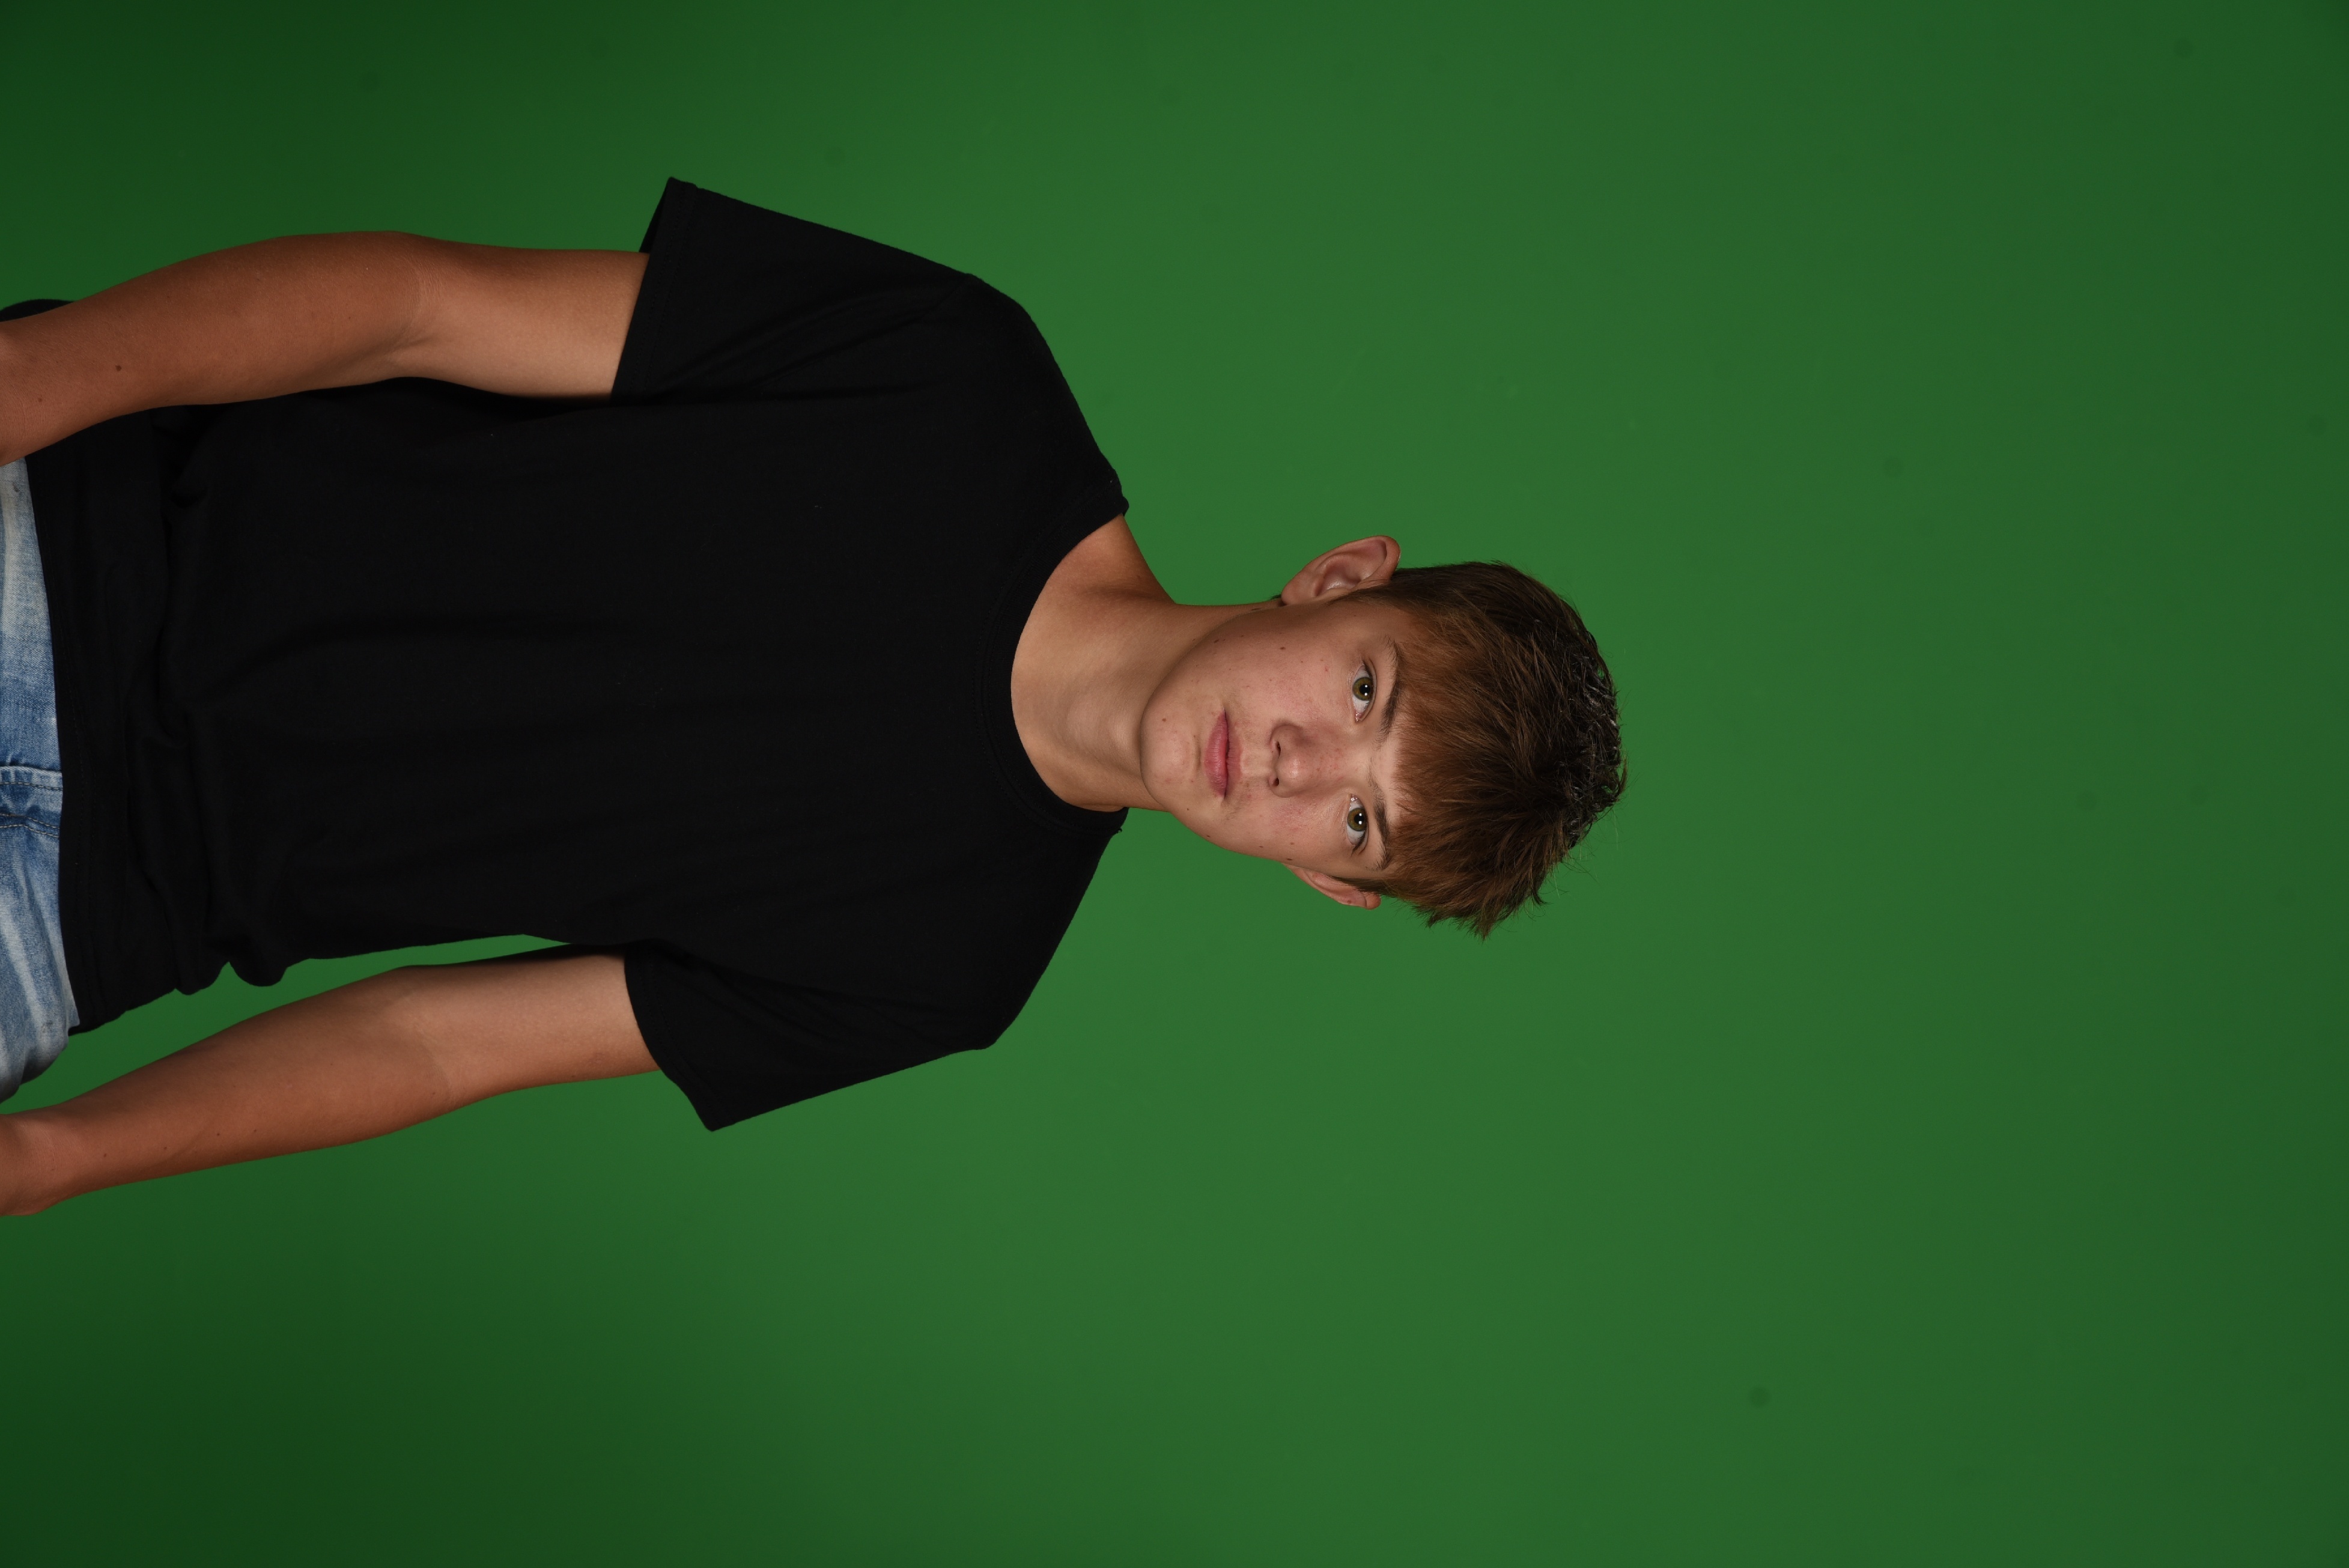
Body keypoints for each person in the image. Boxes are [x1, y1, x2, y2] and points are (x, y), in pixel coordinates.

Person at [0, 180, 1622, 1216]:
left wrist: (53, 1158)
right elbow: (417, 303)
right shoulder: (959, 377)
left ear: (1333, 881)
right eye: (1361, 691)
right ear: (1338, 579)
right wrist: (21, 388)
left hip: (75, 924)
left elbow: (436, 1043)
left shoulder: (950, 968)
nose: (1292, 762)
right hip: (62, 543)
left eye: (1357, 816)